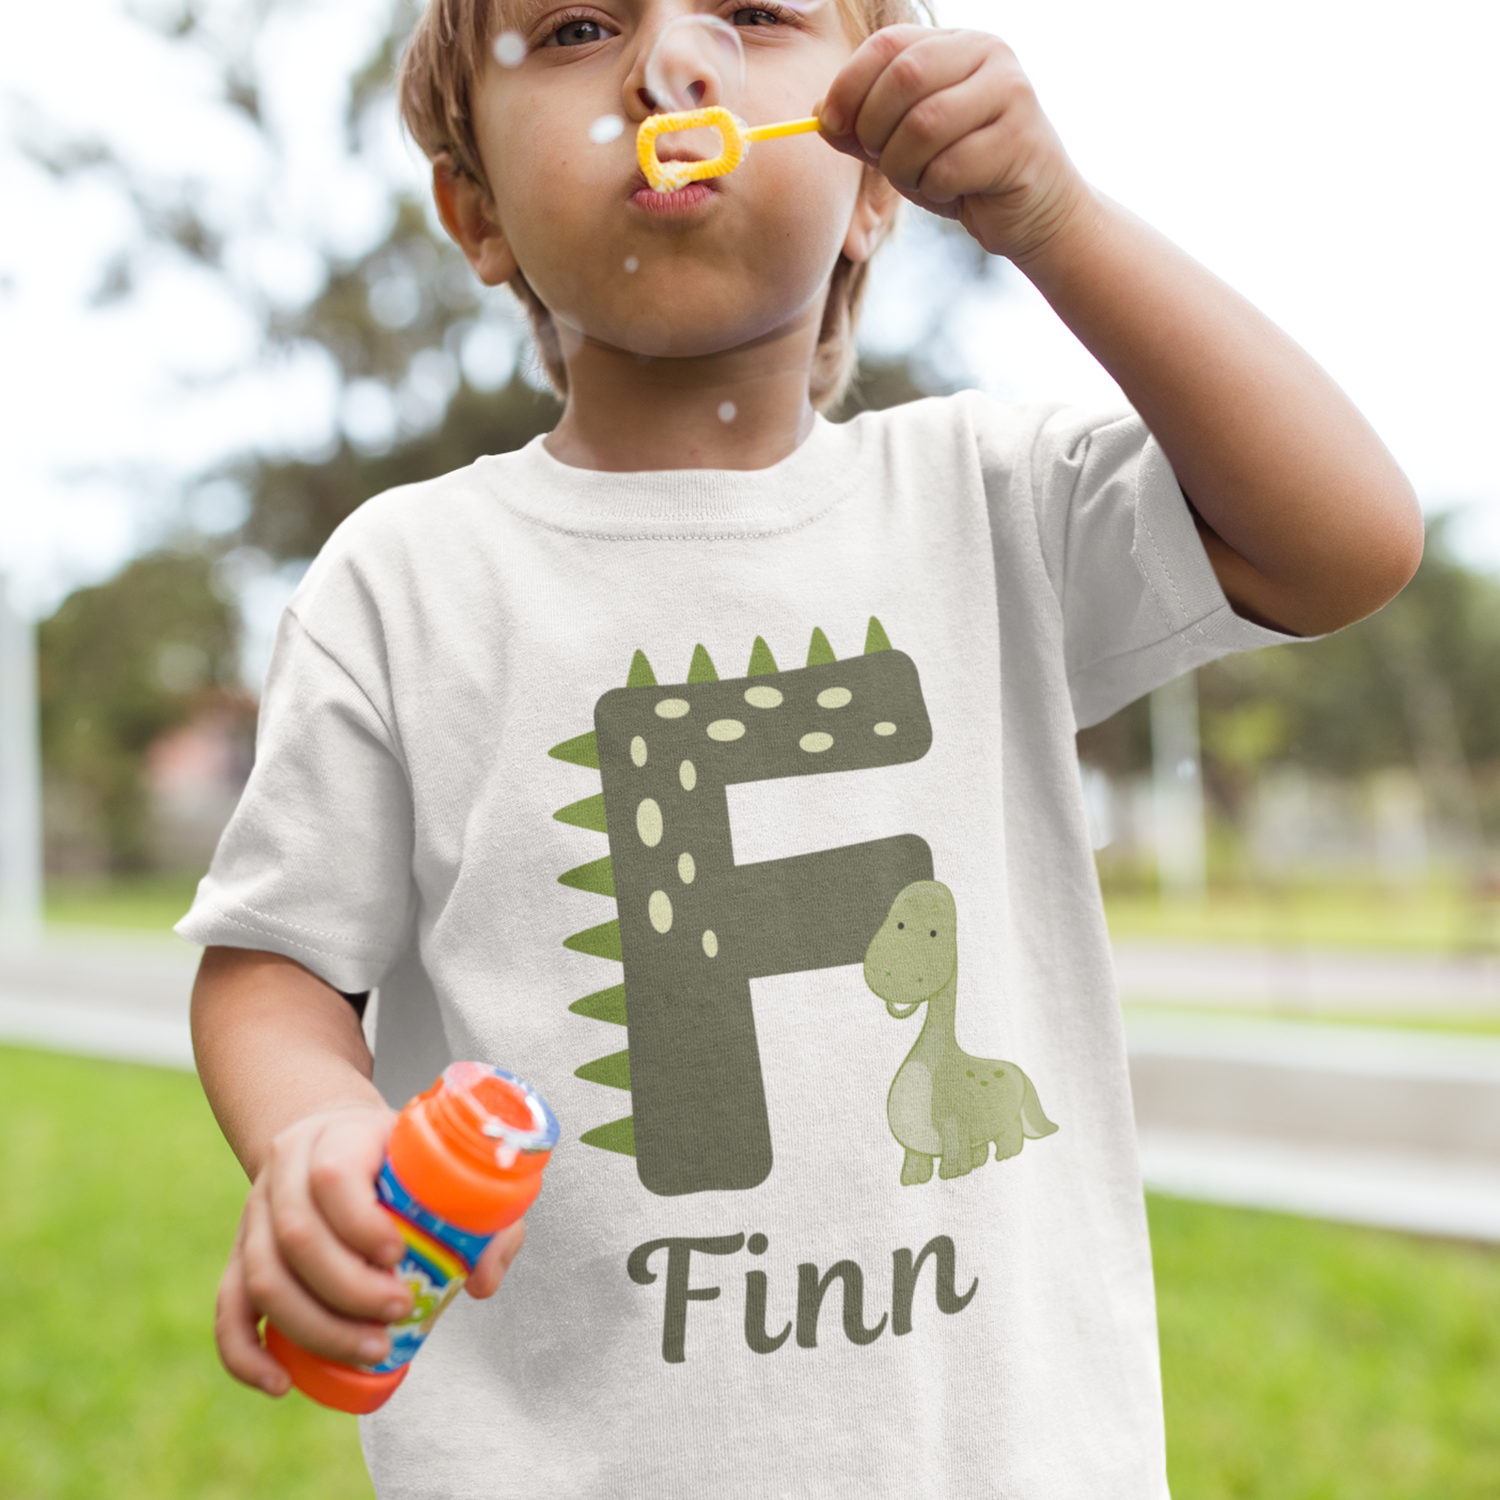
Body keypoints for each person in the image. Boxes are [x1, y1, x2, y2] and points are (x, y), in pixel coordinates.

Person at [181, 0, 1422, 1494]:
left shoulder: (992, 503)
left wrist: (1055, 220)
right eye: (576, 25)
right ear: (476, 213)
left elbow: (1344, 541)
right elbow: (278, 958)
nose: (671, 66)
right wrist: (317, 1130)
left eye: (756, 14)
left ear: (874, 183)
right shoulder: (405, 583)